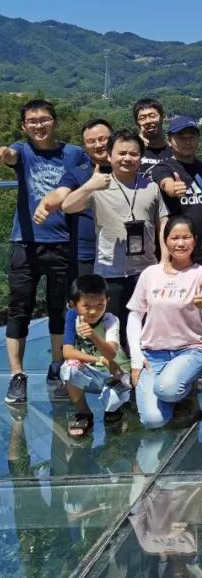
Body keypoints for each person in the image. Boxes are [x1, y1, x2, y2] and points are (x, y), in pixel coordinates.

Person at [2, 98, 87, 404]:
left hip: (62, 242)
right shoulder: (22, 151)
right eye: (32, 121)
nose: (39, 125)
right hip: (25, 242)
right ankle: (17, 376)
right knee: (19, 309)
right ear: (24, 126)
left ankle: (57, 366)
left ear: (55, 121)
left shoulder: (73, 153)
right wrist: (4, 153)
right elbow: (10, 155)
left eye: (44, 119)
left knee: (59, 309)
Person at [62, 129, 167, 336]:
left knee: (147, 331)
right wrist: (88, 186)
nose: (127, 158)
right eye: (122, 153)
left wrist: (164, 261)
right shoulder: (99, 185)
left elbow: (163, 222)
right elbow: (67, 206)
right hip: (109, 274)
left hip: (145, 271)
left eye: (133, 154)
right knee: (112, 333)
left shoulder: (151, 187)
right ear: (109, 156)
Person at [127, 215, 202, 429]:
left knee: (167, 389)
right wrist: (136, 360)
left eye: (186, 237)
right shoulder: (150, 274)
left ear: (195, 240)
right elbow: (135, 315)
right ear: (165, 241)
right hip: (152, 355)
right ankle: (173, 390)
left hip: (191, 350)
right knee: (152, 420)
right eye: (175, 238)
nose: (181, 243)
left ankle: (184, 390)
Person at [33, 117, 113, 278]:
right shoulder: (78, 173)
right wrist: (44, 203)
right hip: (87, 255)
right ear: (85, 146)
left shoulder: (130, 167)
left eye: (102, 139)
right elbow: (60, 193)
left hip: (126, 252)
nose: (98, 145)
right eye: (91, 141)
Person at [60, 274, 131, 437]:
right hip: (92, 371)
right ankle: (83, 413)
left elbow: (111, 354)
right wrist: (99, 359)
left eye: (100, 305)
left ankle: (114, 410)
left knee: (113, 404)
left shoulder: (110, 320)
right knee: (69, 367)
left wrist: (93, 336)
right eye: (86, 306)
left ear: (107, 301)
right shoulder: (72, 316)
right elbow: (67, 352)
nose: (94, 311)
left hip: (116, 373)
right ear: (73, 304)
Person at [152, 115, 202, 263]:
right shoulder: (163, 167)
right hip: (176, 250)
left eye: (192, 137)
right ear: (169, 140)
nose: (187, 142)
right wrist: (172, 187)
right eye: (181, 138)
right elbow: (166, 182)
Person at [133, 97, 173, 179]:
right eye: (142, 118)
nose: (148, 121)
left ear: (162, 117)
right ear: (137, 123)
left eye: (152, 116)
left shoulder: (174, 151)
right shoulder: (132, 149)